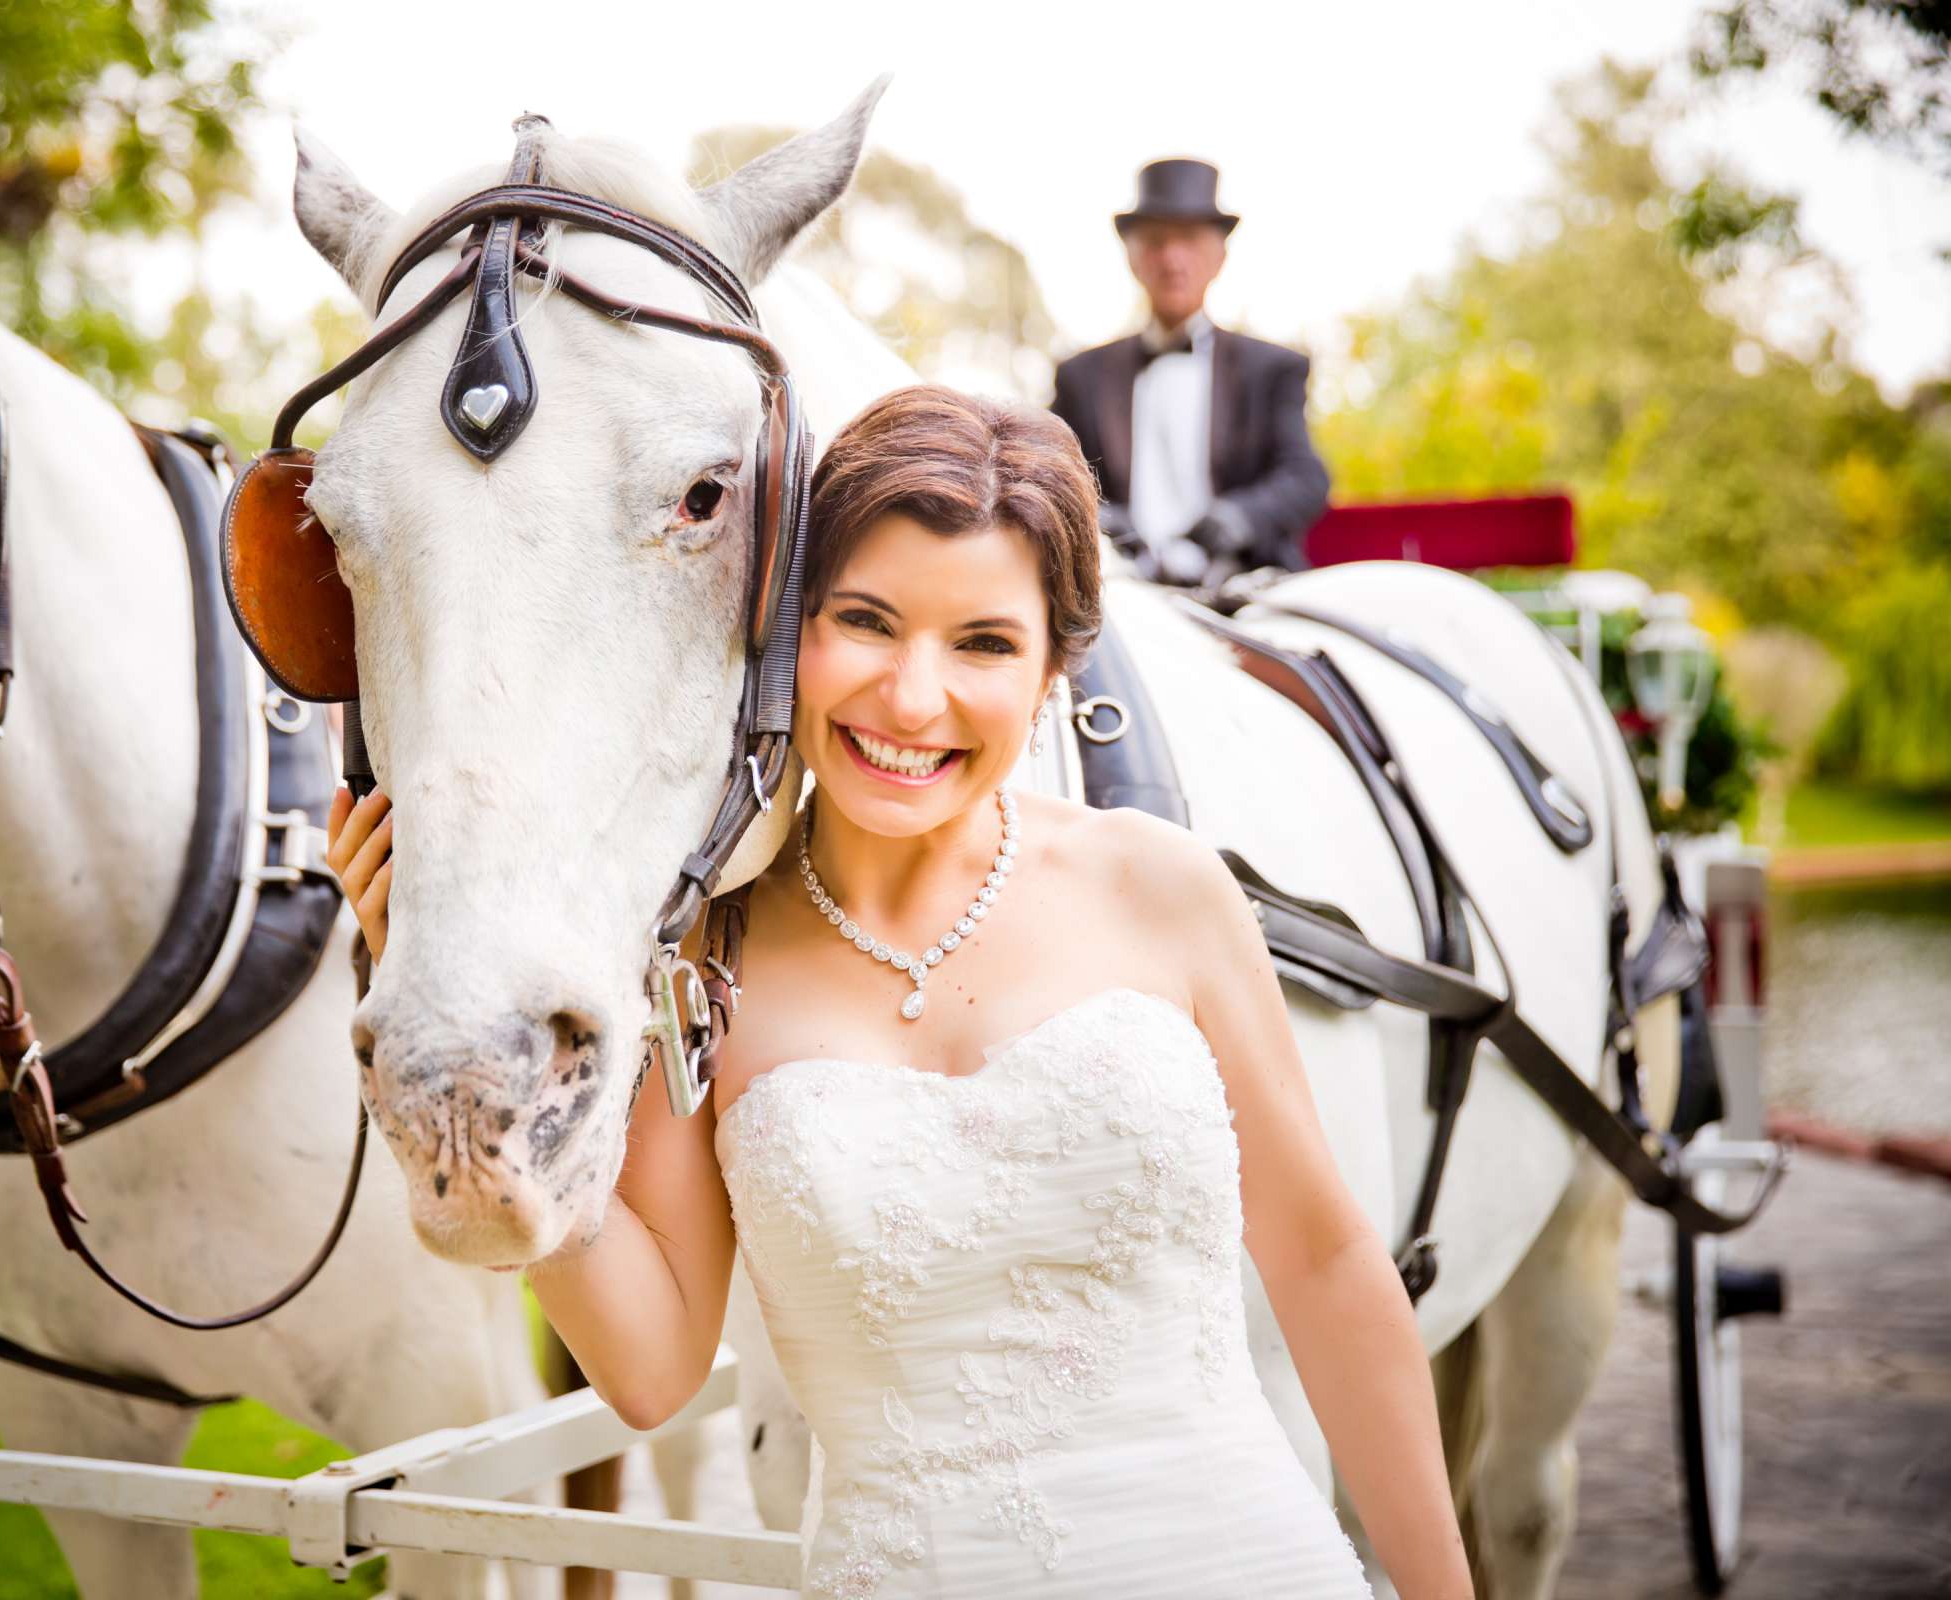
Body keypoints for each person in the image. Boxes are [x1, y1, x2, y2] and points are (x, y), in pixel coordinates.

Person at [327, 386, 1468, 1598]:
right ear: (784, 633)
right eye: (865, 621)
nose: (912, 699)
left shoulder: (1164, 886)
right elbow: (652, 1368)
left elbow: (1330, 1266)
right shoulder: (703, 955)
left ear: (1050, 672)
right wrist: (486, 1084)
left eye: (983, 643)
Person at [1049, 158, 1330, 586]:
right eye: (1157, 241)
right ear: (1132, 256)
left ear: (1219, 257)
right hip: (1119, 593)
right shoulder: (1081, 377)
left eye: (1189, 240)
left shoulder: (1272, 368)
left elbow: (1305, 477)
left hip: (1243, 585)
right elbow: (1049, 473)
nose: (1172, 258)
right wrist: (1098, 519)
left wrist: (1237, 518)